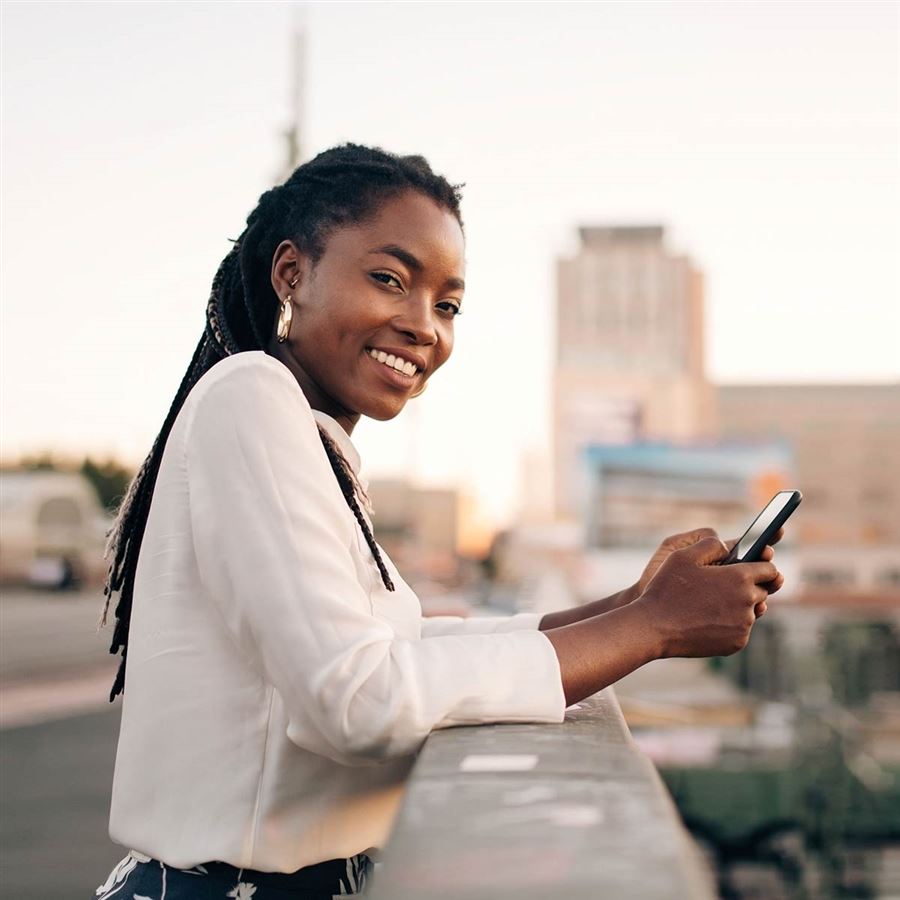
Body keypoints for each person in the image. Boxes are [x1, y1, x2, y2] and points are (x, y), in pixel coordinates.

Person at [95, 143, 783, 899]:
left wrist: (634, 607)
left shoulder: (311, 437)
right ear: (292, 273)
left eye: (447, 305)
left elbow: (397, 647)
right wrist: (652, 628)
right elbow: (357, 700)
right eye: (389, 279)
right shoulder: (250, 394)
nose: (424, 326)